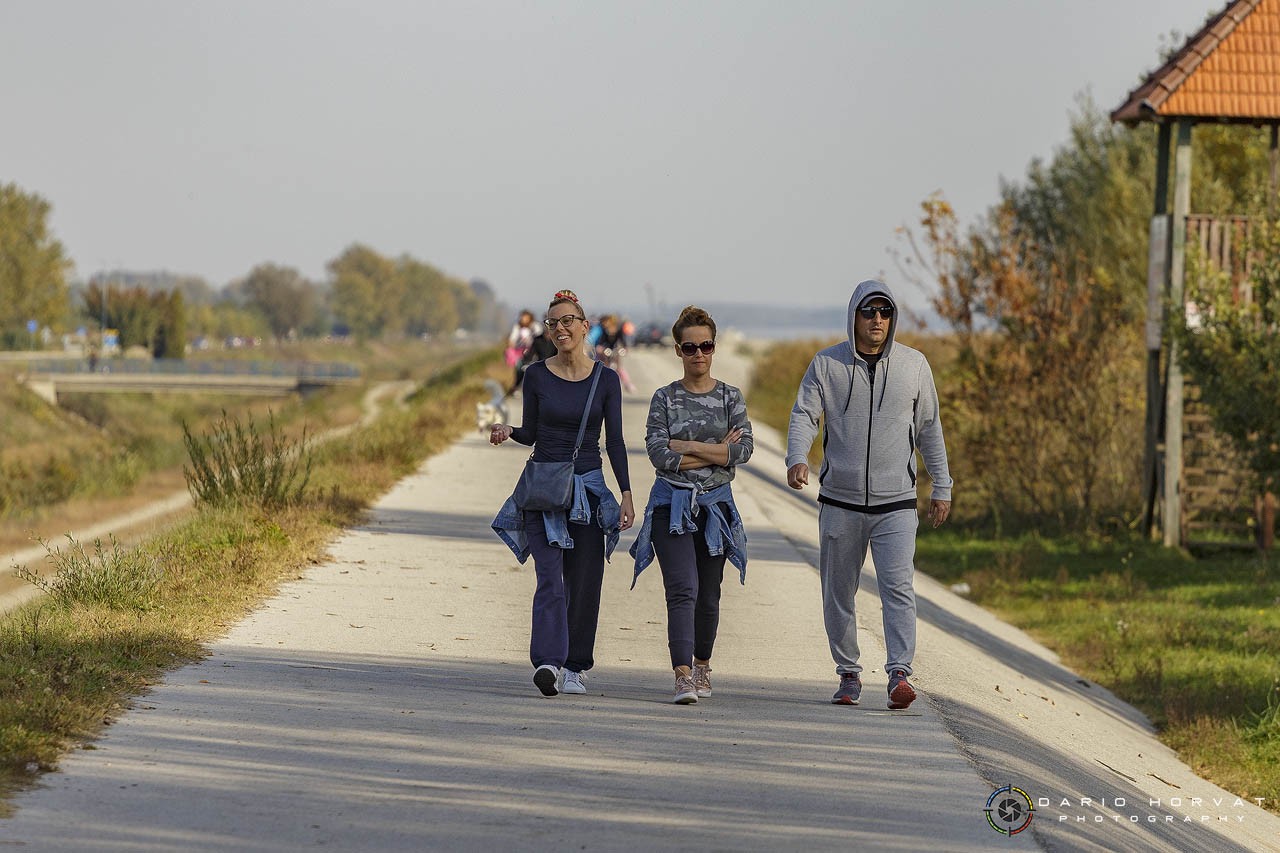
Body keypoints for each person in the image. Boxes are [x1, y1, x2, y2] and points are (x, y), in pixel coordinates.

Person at [785, 280, 952, 710]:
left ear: (892, 318)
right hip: (840, 502)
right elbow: (805, 413)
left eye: (884, 312)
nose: (877, 319)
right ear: (854, 316)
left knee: (898, 588)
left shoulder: (914, 366)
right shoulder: (827, 365)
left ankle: (899, 673)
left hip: (896, 503)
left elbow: (930, 428)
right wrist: (796, 457)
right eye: (868, 311)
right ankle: (848, 674)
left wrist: (942, 485)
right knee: (838, 592)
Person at [490, 289, 636, 698]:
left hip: (588, 492)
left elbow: (616, 442)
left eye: (568, 320)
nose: (560, 328)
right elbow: (532, 432)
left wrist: (625, 493)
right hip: (543, 488)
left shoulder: (605, 380)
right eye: (553, 322)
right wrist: (509, 431)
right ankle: (549, 663)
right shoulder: (535, 375)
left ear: (585, 326)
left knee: (586, 579)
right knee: (549, 576)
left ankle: (576, 666)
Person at [630, 306, 751, 704]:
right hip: (672, 504)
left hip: (715, 509)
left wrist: (691, 447)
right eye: (690, 347)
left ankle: (702, 664)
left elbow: (745, 450)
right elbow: (658, 454)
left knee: (709, 593)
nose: (699, 353)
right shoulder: (665, 398)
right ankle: (682, 675)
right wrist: (719, 451)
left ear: (714, 348)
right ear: (678, 350)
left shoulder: (730, 397)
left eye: (706, 345)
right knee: (682, 588)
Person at [506, 309, 537, 396]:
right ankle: (516, 387)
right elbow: (512, 339)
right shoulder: (517, 327)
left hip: (532, 352)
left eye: (525, 317)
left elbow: (538, 336)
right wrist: (511, 350)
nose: (523, 319)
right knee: (519, 369)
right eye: (522, 317)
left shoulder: (534, 326)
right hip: (519, 352)